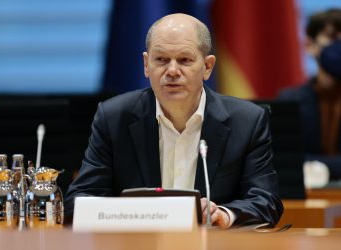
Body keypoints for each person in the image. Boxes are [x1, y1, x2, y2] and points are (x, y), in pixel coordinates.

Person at [65, 13, 283, 228]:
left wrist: (224, 215)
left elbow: (266, 201)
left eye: (184, 60)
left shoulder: (247, 121)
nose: (171, 71)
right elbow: (78, 201)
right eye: (161, 59)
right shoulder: (114, 117)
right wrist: (137, 214)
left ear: (207, 67)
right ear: (146, 64)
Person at [279, 9, 341, 179]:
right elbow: (284, 161)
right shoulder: (289, 100)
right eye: (332, 37)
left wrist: (318, 167)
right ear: (309, 45)